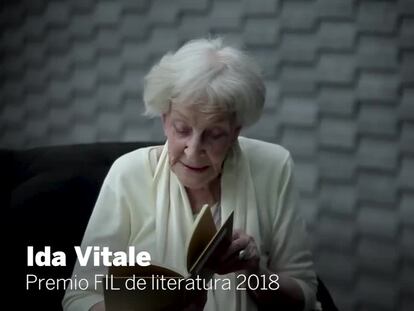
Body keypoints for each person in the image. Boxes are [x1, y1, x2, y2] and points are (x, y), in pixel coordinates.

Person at [62, 37, 317, 311]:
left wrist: (254, 275)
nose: (193, 150)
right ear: (164, 120)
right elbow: (79, 297)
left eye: (215, 134)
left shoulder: (273, 166)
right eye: (182, 129)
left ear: (235, 132)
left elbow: (304, 294)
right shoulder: (128, 174)